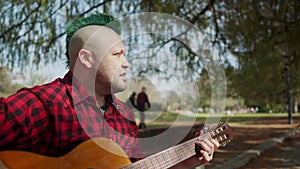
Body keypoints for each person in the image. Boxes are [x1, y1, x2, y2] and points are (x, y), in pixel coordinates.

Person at [0, 12, 219, 168]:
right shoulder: (46, 103)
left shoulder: (125, 115)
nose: (127, 64)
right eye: (117, 54)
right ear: (86, 58)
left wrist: (184, 163)